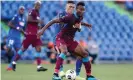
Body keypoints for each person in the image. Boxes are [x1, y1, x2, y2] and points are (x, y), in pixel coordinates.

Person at [38, 2, 97, 80]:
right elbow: (54, 21)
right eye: (80, 9)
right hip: (61, 38)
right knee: (64, 51)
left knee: (85, 54)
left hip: (70, 41)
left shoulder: (80, 17)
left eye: (83, 10)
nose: (82, 11)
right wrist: (42, 30)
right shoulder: (69, 17)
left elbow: (77, 22)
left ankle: (89, 76)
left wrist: (85, 24)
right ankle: (55, 74)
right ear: (77, 9)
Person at [9, 1, 47, 72]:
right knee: (23, 49)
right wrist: (38, 21)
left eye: (39, 5)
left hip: (36, 34)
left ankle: (39, 66)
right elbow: (29, 19)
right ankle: (14, 62)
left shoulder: (37, 13)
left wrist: (39, 27)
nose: (38, 6)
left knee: (39, 49)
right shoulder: (32, 11)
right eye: (37, 5)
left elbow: (36, 22)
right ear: (34, 5)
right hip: (29, 34)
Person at [54, 1, 85, 80]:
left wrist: (79, 26)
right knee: (61, 52)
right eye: (70, 7)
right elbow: (63, 25)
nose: (71, 8)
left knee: (80, 55)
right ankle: (59, 73)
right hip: (59, 38)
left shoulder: (74, 17)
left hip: (69, 40)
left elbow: (77, 27)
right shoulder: (62, 14)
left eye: (73, 7)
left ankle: (76, 75)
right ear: (66, 7)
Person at [6, 6, 26, 70]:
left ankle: (10, 66)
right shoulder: (16, 16)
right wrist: (17, 28)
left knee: (19, 52)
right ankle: (8, 60)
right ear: (18, 10)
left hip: (18, 37)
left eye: (23, 10)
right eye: (21, 9)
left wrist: (25, 34)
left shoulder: (24, 19)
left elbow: (22, 29)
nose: (22, 10)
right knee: (8, 49)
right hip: (12, 35)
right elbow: (9, 24)